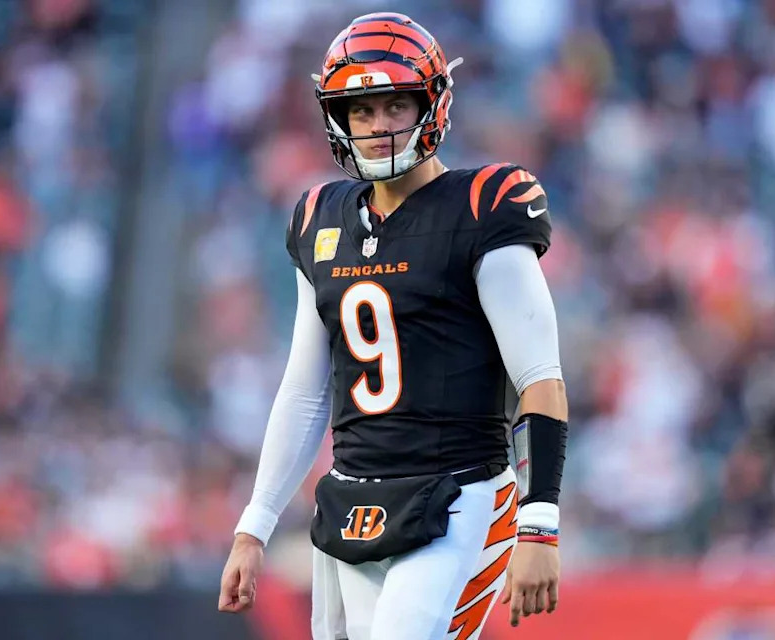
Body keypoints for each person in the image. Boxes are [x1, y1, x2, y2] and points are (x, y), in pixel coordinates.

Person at [218, 12, 569, 640]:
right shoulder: (318, 218)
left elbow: (540, 379)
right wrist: (255, 524)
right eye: (362, 110)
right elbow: (306, 389)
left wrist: (539, 521)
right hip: (350, 503)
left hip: (456, 500)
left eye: (396, 104)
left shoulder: (484, 206)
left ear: (432, 103)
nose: (379, 126)